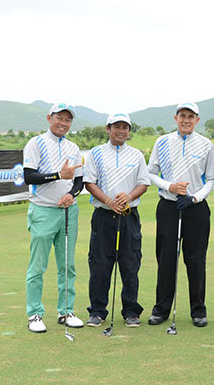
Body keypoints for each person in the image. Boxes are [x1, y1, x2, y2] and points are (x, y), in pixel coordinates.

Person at [147, 101, 214, 327]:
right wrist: (170, 186)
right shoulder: (162, 141)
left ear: (197, 120)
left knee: (196, 260)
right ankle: (161, 309)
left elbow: (211, 179)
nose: (186, 120)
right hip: (169, 206)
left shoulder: (206, 145)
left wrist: (195, 197)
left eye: (191, 116)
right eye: (182, 115)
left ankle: (198, 310)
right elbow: (151, 173)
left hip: (196, 208)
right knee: (166, 259)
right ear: (175, 118)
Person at [83, 113, 150, 328]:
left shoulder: (137, 155)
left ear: (129, 130)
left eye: (125, 127)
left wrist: (128, 196)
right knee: (100, 265)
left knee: (130, 265)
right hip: (104, 216)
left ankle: (131, 311)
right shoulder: (96, 153)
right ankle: (97, 311)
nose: (121, 131)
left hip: (129, 216)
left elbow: (143, 183)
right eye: (117, 126)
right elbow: (89, 182)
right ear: (108, 128)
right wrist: (109, 201)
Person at [23, 103, 84, 333]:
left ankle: (66, 311)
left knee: (67, 265)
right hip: (43, 210)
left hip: (69, 211)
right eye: (60, 118)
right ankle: (34, 314)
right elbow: (29, 176)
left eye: (68, 120)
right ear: (49, 118)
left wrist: (71, 194)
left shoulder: (73, 147)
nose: (64, 123)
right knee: (38, 265)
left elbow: (79, 181)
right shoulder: (36, 143)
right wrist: (58, 175)